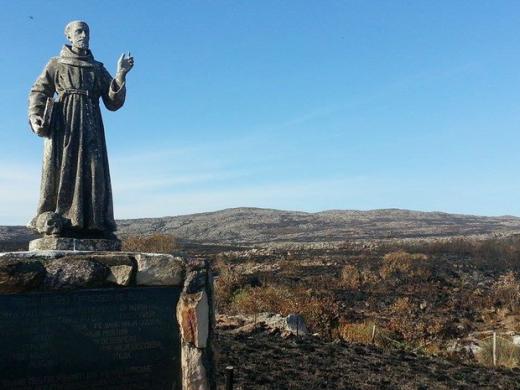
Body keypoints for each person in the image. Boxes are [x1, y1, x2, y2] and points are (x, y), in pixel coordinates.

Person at [28, 20, 134, 238]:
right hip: (64, 125)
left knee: (95, 170)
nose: (84, 35)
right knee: (65, 169)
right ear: (69, 36)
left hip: (92, 123)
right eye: (79, 31)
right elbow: (39, 91)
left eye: (86, 31)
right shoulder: (56, 64)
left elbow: (113, 103)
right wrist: (35, 115)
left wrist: (121, 75)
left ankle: (95, 224)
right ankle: (62, 221)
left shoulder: (97, 68)